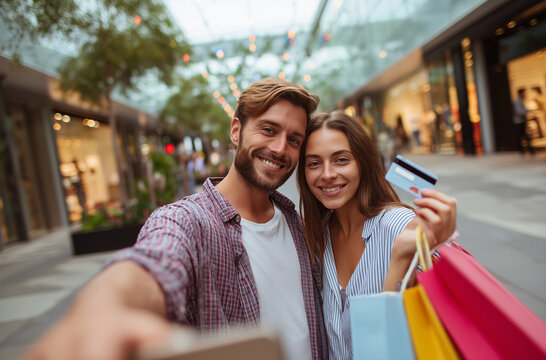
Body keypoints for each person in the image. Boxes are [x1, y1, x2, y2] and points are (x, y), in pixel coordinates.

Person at [25, 78, 328, 360]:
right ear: (236, 130)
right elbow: (156, 261)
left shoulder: (295, 220)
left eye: (294, 140)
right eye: (268, 130)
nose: (279, 148)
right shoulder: (187, 221)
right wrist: (102, 311)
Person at [296, 111, 457, 359]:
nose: (327, 174)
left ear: (363, 162)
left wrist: (406, 255)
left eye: (341, 160)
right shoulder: (318, 235)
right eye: (314, 163)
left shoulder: (402, 226)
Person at [512, 88, 535, 155]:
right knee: (522, 136)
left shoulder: (521, 101)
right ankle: (524, 150)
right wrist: (527, 111)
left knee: (524, 135)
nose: (525, 95)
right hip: (519, 121)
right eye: (523, 93)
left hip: (522, 121)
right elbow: (518, 111)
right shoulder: (517, 102)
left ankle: (528, 150)